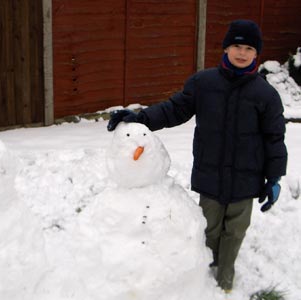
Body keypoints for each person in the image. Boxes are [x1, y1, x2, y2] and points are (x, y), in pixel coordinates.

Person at [106, 19, 287, 293]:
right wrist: (140, 118)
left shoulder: (266, 95)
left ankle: (224, 281)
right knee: (209, 227)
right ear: (226, 48)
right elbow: (174, 109)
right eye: (237, 45)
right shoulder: (204, 83)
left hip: (246, 179)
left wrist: (274, 177)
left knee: (235, 231)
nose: (242, 53)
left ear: (256, 54)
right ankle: (201, 278)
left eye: (249, 48)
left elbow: (274, 138)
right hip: (211, 175)